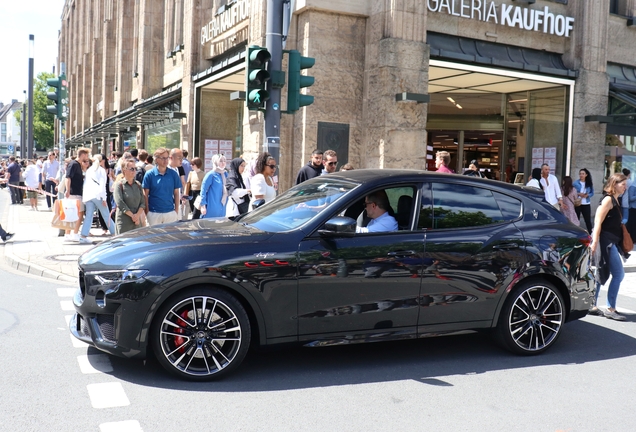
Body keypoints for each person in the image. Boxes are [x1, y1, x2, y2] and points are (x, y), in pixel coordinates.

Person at [590, 173, 629, 321]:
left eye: (625, 184)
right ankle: (610, 308)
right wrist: (594, 242)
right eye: (623, 184)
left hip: (611, 240)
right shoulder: (608, 199)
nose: (625, 187)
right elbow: (597, 221)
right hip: (605, 241)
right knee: (618, 274)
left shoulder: (616, 200)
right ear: (614, 184)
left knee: (601, 271)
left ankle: (592, 305)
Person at [80, 154, 115, 243]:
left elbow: (86, 184)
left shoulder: (89, 170)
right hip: (98, 195)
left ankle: (83, 235)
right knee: (106, 215)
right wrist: (104, 198)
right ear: (101, 161)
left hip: (89, 196)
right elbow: (102, 185)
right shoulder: (102, 170)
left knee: (89, 216)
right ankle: (115, 232)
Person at [142, 147, 182, 226]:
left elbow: (176, 193)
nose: (166, 160)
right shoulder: (149, 174)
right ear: (156, 159)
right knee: (155, 238)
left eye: (167, 158)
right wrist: (147, 212)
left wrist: (176, 211)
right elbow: (145, 194)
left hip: (170, 213)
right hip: (154, 213)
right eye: (163, 158)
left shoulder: (173, 174)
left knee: (170, 238)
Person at [64, 148, 91, 242]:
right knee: (79, 213)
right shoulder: (74, 164)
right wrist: (67, 190)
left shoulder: (77, 164)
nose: (87, 158)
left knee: (72, 213)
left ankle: (68, 234)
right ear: (83, 155)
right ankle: (74, 233)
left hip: (75, 192)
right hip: (74, 192)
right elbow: (68, 177)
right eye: (87, 155)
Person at [113, 159, 146, 234]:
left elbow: (143, 203)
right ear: (124, 170)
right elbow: (120, 203)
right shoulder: (119, 185)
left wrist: (137, 216)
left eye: (135, 169)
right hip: (124, 222)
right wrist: (133, 216)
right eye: (132, 169)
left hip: (137, 222)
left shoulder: (138, 185)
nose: (134, 171)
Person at [573, 168, 594, 232]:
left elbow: (592, 193)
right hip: (578, 203)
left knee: (588, 220)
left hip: (586, 203)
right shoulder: (575, 183)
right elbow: (571, 192)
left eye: (583, 174)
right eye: (580, 174)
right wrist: (578, 194)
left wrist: (587, 195)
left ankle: (591, 234)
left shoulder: (589, 183)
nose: (581, 175)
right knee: (576, 220)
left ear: (586, 175)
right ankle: (576, 233)